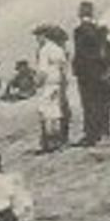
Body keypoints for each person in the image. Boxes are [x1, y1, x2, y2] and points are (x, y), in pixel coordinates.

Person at [71, 3, 110, 145]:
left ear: (80, 13)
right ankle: (104, 132)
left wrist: (76, 69)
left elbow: (81, 54)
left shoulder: (79, 31)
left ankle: (91, 135)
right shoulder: (101, 30)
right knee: (104, 103)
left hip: (87, 75)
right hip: (103, 72)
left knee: (89, 104)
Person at [33, 25, 71, 153]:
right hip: (59, 84)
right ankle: (59, 140)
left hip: (47, 84)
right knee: (56, 112)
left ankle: (49, 142)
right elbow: (64, 68)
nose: (37, 39)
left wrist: (37, 83)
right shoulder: (58, 49)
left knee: (46, 112)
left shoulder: (44, 50)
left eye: (38, 36)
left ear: (44, 36)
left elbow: (42, 71)